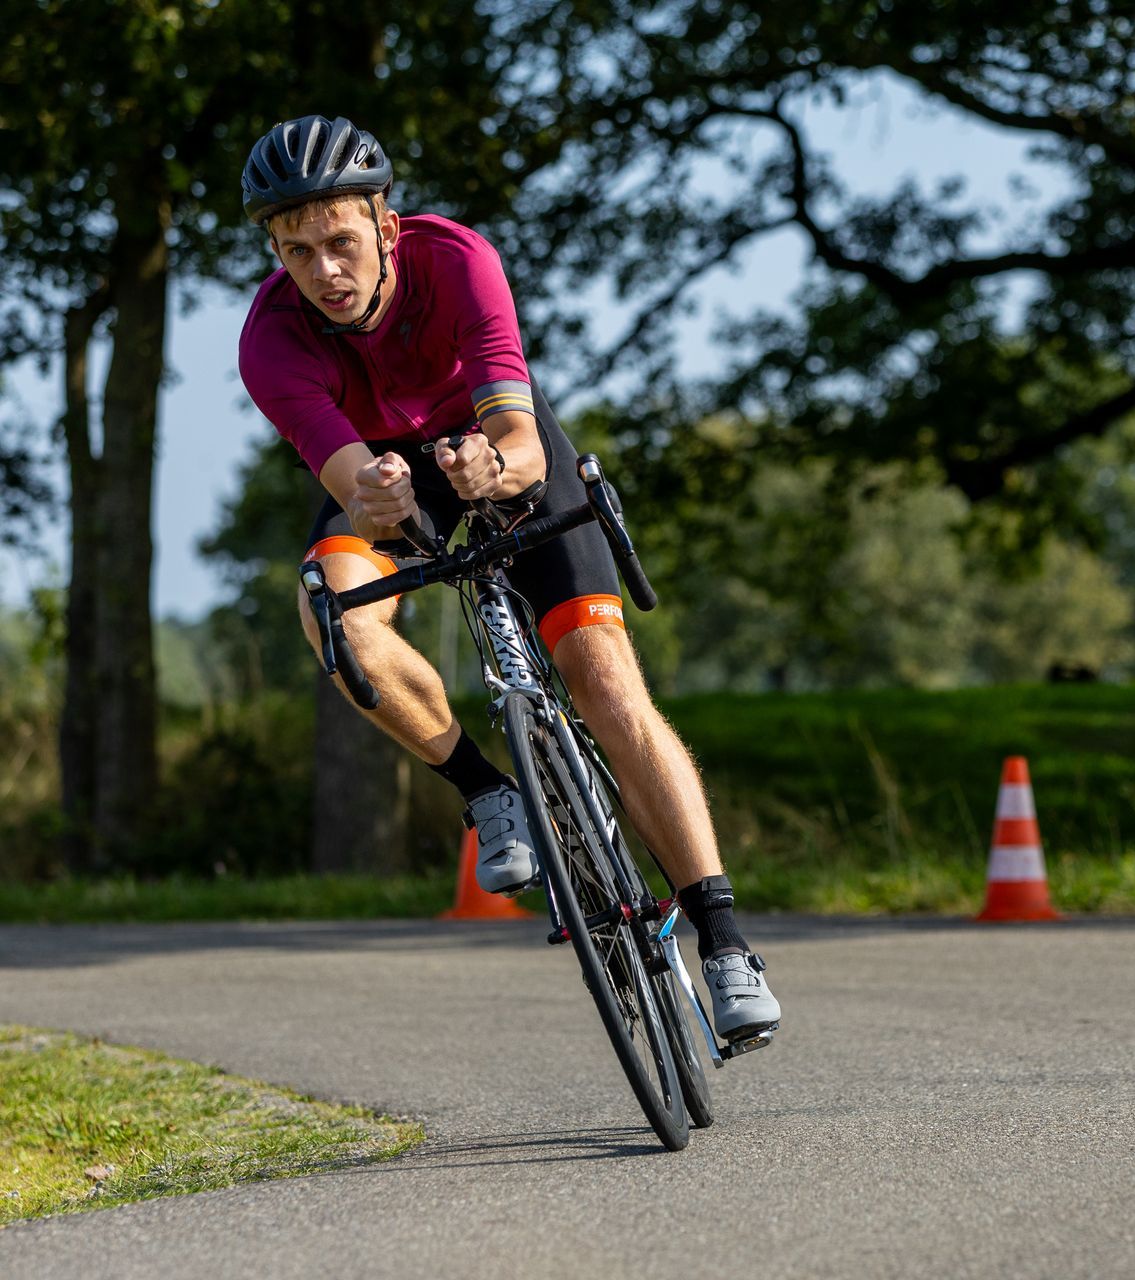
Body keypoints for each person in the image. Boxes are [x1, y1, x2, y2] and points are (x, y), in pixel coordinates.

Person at [236, 115, 780, 1042]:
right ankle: (488, 788)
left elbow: (523, 440)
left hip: (495, 449)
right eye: (297, 250)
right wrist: (376, 494)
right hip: (392, 482)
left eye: (340, 242)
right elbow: (347, 482)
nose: (324, 271)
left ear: (386, 228)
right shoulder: (270, 340)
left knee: (605, 682)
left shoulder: (458, 260)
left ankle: (724, 939)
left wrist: (496, 470)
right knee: (330, 607)